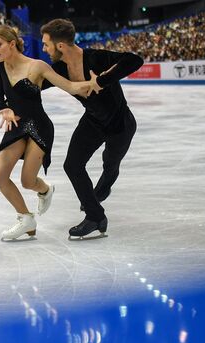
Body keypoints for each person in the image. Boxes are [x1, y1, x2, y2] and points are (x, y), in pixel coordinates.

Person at [0, 25, 100, 241]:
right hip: (17, 127)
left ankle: (45, 189)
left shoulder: (37, 66)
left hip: (39, 127)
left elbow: (69, 86)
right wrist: (7, 109)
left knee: (27, 181)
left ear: (12, 44)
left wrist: (96, 82)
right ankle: (25, 218)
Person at [40, 19, 144, 240]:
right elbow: (35, 84)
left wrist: (103, 80)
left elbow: (134, 60)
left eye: (46, 44)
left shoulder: (96, 57)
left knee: (110, 165)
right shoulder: (59, 69)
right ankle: (96, 217)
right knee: (72, 165)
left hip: (121, 124)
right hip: (93, 122)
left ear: (60, 46)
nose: (44, 49)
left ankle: (102, 189)